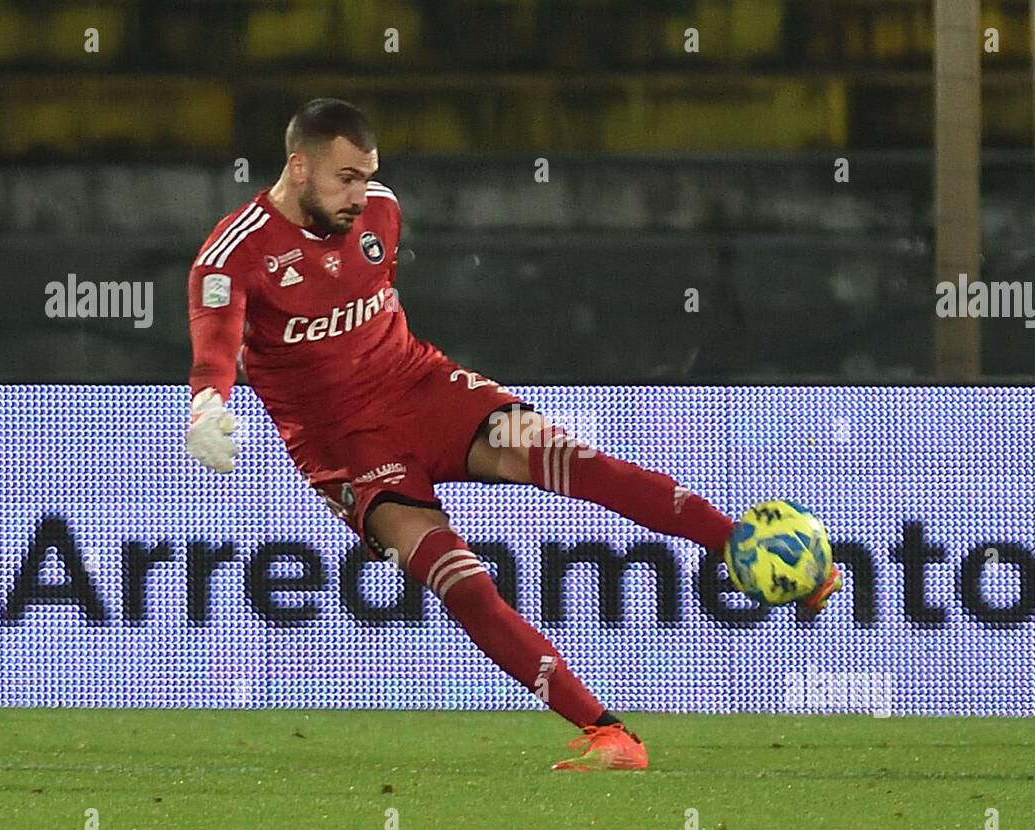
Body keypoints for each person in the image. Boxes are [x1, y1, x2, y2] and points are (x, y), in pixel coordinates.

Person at [185, 98, 840, 772]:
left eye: (367, 175)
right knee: (461, 584)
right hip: (347, 449)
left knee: (576, 462)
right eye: (344, 178)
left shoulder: (380, 210)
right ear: (299, 167)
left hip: (422, 388)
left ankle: (743, 546)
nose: (360, 193)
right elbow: (216, 341)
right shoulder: (234, 253)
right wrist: (208, 403)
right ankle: (609, 735)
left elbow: (367, 310)